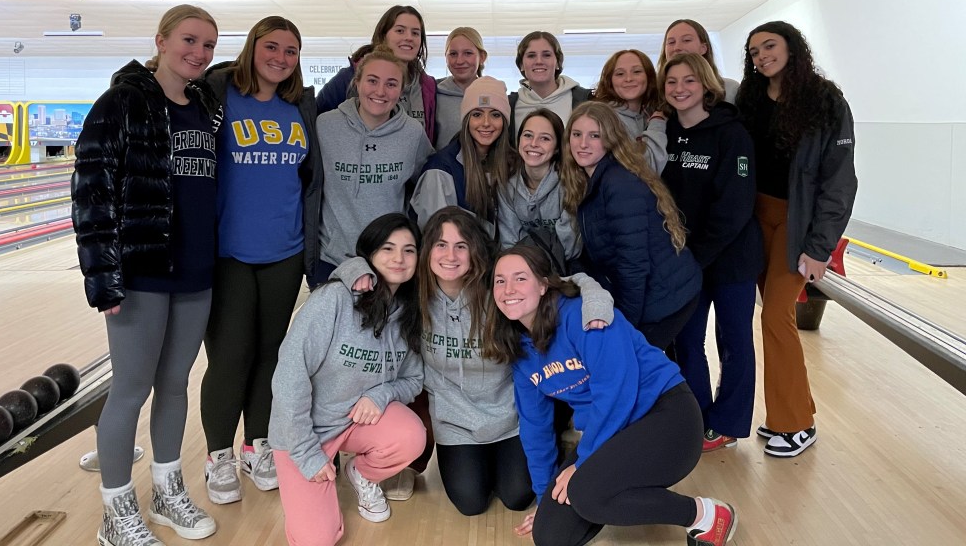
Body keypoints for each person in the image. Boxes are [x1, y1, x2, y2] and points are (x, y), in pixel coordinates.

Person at [71, 4, 221, 546]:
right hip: (141, 272)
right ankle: (116, 514)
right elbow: (91, 191)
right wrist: (102, 276)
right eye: (189, 40)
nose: (199, 53)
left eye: (208, 45)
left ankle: (166, 492)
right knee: (131, 389)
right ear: (160, 40)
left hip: (196, 271)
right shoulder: (121, 103)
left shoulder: (205, 106)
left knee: (176, 385)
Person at [484, 245, 738, 546]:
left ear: (543, 284)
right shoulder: (520, 350)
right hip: (614, 432)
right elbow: (534, 427)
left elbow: (616, 392)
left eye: (520, 278)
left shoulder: (584, 315)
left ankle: (703, 515)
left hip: (667, 418)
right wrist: (544, 496)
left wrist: (583, 463)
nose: (508, 289)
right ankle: (614, 487)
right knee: (550, 535)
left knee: (586, 493)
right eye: (500, 281)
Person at [397, 207, 613, 516]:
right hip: (455, 422)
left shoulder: (498, 290)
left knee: (518, 497)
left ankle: (554, 437)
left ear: (475, 250)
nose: (450, 255)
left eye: (461, 245)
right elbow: (374, 277)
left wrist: (596, 305)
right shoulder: (414, 297)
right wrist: (352, 272)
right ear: (427, 249)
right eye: (441, 244)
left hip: (510, 417)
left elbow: (569, 282)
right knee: (471, 503)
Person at [199, 16, 321, 504]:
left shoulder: (299, 106)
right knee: (231, 354)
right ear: (252, 48)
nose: (281, 58)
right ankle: (218, 456)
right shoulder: (219, 95)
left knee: (272, 353)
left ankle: (257, 445)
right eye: (272, 47)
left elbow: (308, 176)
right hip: (227, 250)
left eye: (291, 51)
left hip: (285, 250)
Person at [736, 21, 857, 458]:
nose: (762, 56)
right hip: (755, 217)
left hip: (797, 222)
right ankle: (794, 408)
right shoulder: (750, 98)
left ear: (792, 47)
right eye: (754, 52)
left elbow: (840, 181)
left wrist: (820, 247)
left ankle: (796, 425)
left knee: (776, 316)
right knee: (770, 316)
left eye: (769, 46)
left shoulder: (826, 100)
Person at [269, 213, 427, 546]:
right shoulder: (334, 300)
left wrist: (381, 395)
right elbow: (288, 377)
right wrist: (307, 454)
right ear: (369, 254)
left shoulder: (408, 312)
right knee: (316, 540)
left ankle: (361, 474)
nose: (399, 258)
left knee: (411, 436)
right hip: (304, 432)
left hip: (355, 423)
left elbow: (414, 378)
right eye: (388, 248)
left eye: (409, 250)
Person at [659, 54, 762, 452]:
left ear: (706, 85)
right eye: (672, 81)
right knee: (686, 342)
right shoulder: (664, 132)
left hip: (731, 258)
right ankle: (697, 420)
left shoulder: (733, 134)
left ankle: (728, 424)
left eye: (689, 80)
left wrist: (695, 256)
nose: (680, 88)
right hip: (686, 261)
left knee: (735, 342)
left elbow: (735, 207)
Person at [561, 101, 701, 349]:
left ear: (611, 139)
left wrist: (626, 326)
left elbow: (633, 265)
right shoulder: (590, 178)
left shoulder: (618, 184)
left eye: (595, 135)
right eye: (577, 134)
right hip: (651, 293)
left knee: (636, 364)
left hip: (665, 297)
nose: (583, 144)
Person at [314, 47, 433, 285]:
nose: (380, 91)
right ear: (357, 82)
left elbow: (426, 183)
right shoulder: (325, 126)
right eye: (372, 80)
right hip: (333, 258)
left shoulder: (412, 133)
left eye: (391, 84)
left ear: (401, 89)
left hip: (389, 260)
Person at [315, 5, 438, 144]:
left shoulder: (427, 86)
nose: (409, 37)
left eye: (415, 33)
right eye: (400, 31)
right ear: (383, 35)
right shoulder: (350, 76)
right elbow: (315, 117)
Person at [411, 76, 515, 237]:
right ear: (466, 120)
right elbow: (436, 237)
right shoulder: (440, 170)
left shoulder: (513, 163)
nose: (486, 123)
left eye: (495, 115)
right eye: (477, 114)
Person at [496, 108, 579, 266]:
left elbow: (570, 247)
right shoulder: (506, 186)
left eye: (545, 138)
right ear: (519, 140)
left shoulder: (570, 183)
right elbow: (509, 243)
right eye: (528, 135)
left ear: (557, 147)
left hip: (566, 268)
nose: (534, 144)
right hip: (522, 268)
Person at [591, 49, 668, 173]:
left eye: (636, 72)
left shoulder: (652, 112)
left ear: (649, 77)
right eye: (620, 74)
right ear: (610, 81)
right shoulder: (602, 119)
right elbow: (645, 170)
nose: (628, 79)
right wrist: (657, 123)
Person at [510, 31, 591, 133]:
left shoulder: (585, 100)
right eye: (531, 56)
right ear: (521, 64)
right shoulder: (509, 106)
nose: (539, 61)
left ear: (557, 62)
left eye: (546, 55)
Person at [657, 19, 739, 102]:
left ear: (703, 48)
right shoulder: (654, 91)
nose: (677, 47)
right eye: (671, 42)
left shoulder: (730, 89)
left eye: (686, 40)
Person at [435, 26, 488, 147]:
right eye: (453, 54)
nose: (459, 61)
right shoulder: (434, 94)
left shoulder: (494, 94)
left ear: (482, 57)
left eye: (468, 53)